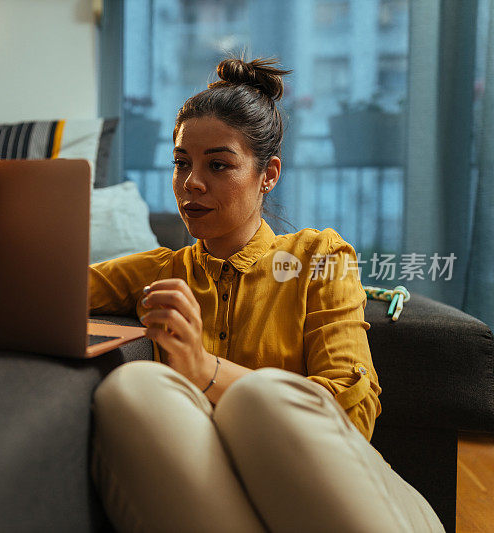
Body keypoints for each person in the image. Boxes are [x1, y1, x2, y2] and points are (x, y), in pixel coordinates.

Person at [87, 57, 444, 532]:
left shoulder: (319, 256)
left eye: (218, 164)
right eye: (180, 163)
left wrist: (204, 370)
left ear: (268, 174)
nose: (190, 182)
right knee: (133, 390)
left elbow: (351, 417)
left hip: (355, 500)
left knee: (262, 401)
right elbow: (46, 288)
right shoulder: (162, 271)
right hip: (223, 501)